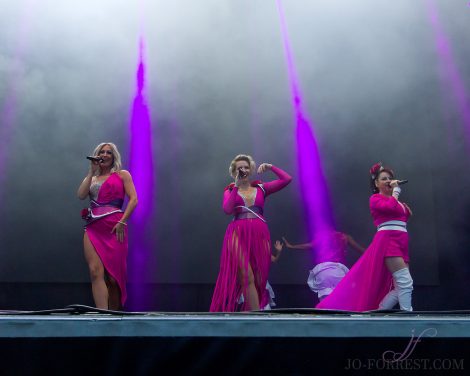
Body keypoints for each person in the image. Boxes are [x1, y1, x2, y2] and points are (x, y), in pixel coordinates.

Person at [316, 162, 413, 311]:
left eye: (390, 178)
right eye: (384, 178)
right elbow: (389, 208)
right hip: (388, 240)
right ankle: (408, 315)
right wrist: (396, 192)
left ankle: (379, 312)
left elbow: (403, 217)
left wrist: (404, 209)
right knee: (405, 281)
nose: (388, 181)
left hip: (401, 241)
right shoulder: (375, 199)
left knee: (401, 285)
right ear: (376, 183)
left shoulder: (397, 201)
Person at [210, 154, 292, 312]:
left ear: (251, 170)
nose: (243, 170)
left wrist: (270, 167)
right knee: (247, 277)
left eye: (246, 167)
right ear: (234, 172)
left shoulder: (261, 188)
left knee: (260, 278)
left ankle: (250, 311)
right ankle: (255, 316)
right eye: (240, 168)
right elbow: (227, 210)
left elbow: (286, 179)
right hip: (237, 233)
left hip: (259, 233)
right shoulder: (230, 190)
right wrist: (236, 185)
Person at [77, 142, 138, 310]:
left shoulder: (122, 175)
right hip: (93, 227)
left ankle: (115, 314)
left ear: (113, 157)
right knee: (95, 271)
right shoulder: (92, 178)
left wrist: (122, 221)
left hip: (114, 227)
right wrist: (91, 171)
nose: (104, 155)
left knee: (113, 278)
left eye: (108, 153)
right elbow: (81, 195)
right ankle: (102, 314)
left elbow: (134, 199)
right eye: (101, 152)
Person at [280, 231, 364, 301]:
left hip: (324, 271)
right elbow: (360, 250)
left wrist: (292, 246)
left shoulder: (323, 238)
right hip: (338, 271)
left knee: (326, 302)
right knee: (342, 300)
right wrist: (373, 253)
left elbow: (309, 245)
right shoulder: (345, 237)